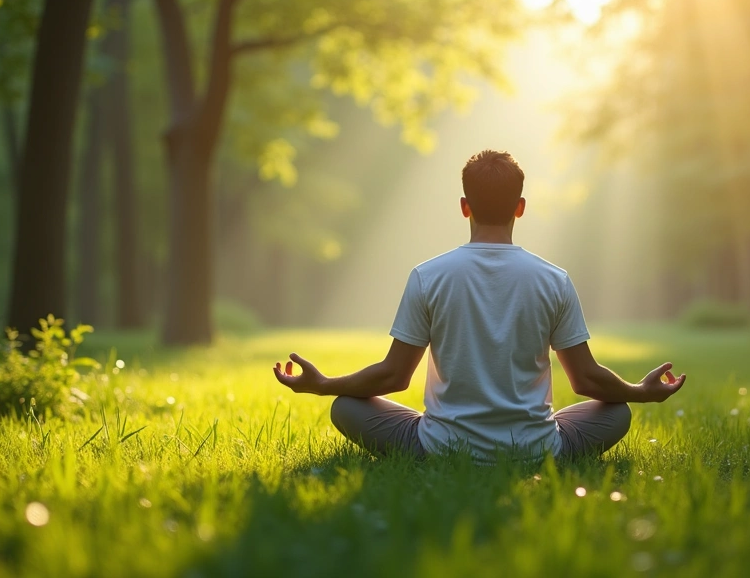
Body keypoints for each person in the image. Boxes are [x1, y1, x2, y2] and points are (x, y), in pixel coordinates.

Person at [272, 150, 685, 462]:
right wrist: (639, 393)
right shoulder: (552, 279)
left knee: (346, 407)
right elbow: (587, 381)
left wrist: (323, 385)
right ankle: (538, 444)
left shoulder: (428, 276)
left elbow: (394, 375)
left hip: (440, 448)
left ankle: (439, 446)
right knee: (617, 413)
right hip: (536, 449)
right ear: (519, 208)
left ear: (464, 206)